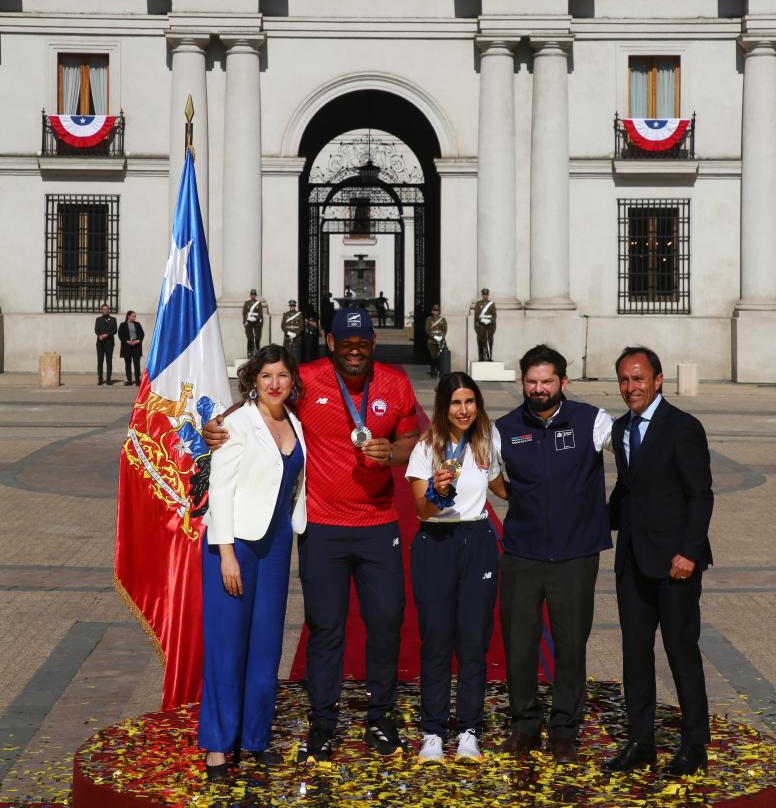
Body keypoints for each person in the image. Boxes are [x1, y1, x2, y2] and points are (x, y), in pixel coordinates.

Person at [203, 306, 421, 763]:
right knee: (325, 628)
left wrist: (393, 453)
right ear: (331, 343)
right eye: (346, 343)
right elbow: (261, 400)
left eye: (362, 343)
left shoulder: (395, 384)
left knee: (385, 622)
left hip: (379, 523)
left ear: (374, 344)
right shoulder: (307, 380)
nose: (354, 350)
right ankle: (324, 721)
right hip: (323, 526)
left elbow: (412, 438)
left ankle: (380, 718)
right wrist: (216, 426)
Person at [495, 344, 613, 763]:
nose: (539, 388)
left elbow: (637, 457)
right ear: (521, 383)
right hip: (522, 553)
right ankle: (524, 724)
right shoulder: (505, 427)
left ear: (563, 381)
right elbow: (489, 472)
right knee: (520, 645)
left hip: (576, 554)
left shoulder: (593, 421)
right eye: (531, 381)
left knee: (570, 646)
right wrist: (519, 501)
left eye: (547, 381)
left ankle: (564, 728)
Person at [603, 347, 713, 778]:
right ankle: (640, 741)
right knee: (635, 653)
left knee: (681, 651)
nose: (631, 388)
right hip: (633, 562)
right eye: (625, 380)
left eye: (639, 379)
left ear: (659, 380)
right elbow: (626, 492)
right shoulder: (619, 428)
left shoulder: (683, 427)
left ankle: (694, 744)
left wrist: (689, 551)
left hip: (675, 564)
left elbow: (700, 494)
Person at [199, 345, 307, 780]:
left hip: (278, 542)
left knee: (266, 648)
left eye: (282, 376)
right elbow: (220, 490)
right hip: (235, 545)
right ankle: (218, 749)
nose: (275, 384)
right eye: (266, 377)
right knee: (228, 649)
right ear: (252, 381)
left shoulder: (295, 422)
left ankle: (255, 739)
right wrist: (226, 554)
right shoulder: (235, 424)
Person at [406, 372, 507, 762]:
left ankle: (469, 730)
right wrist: (438, 489)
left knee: (473, 641)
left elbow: (500, 487)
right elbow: (421, 508)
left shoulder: (487, 442)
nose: (464, 410)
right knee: (436, 639)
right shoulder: (426, 448)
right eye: (456, 403)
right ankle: (432, 732)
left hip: (477, 542)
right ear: (443, 407)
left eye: (470, 402)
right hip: (436, 542)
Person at [117, 310, 144, 386]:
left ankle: (138, 380)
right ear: (128, 316)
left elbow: (142, 334)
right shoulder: (122, 325)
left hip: (136, 346)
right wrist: (126, 341)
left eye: (135, 316)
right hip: (127, 346)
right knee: (128, 364)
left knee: (137, 364)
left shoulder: (137, 324)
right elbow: (120, 335)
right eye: (133, 316)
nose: (134, 318)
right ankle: (129, 380)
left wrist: (138, 340)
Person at [94, 303, 117, 386]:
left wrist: (107, 335)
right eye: (103, 309)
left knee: (109, 361)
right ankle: (100, 379)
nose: (105, 310)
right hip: (100, 343)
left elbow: (115, 330)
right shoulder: (98, 319)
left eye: (106, 309)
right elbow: (96, 329)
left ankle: (108, 379)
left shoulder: (113, 319)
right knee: (100, 361)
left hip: (109, 343)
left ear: (108, 310)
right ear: (101, 310)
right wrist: (99, 335)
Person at [424, 306, 448, 378]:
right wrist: (433, 336)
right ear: (432, 311)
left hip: (441, 340)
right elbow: (427, 329)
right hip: (432, 341)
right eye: (434, 310)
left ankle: (440, 370)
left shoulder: (443, 320)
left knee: (440, 357)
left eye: (437, 310)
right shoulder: (429, 319)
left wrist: (441, 336)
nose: (436, 312)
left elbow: (445, 329)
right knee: (433, 356)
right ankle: (433, 370)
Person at [473, 289, 496, 361]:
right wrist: (481, 320)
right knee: (481, 340)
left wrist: (490, 320)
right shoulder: (478, 304)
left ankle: (489, 357)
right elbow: (476, 315)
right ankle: (481, 357)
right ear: (482, 295)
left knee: (489, 340)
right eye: (484, 295)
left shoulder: (492, 304)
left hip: (489, 325)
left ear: (488, 295)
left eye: (486, 295)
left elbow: (494, 315)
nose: (485, 296)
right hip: (481, 325)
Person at [242, 290, 263, 357]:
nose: (253, 296)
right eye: (252, 294)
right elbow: (244, 313)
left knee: (257, 337)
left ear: (255, 295)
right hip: (249, 322)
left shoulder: (258, 303)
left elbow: (260, 313)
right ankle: (250, 352)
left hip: (256, 322)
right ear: (250, 295)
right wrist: (247, 318)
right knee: (250, 338)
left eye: (254, 295)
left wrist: (256, 318)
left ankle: (257, 351)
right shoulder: (247, 303)